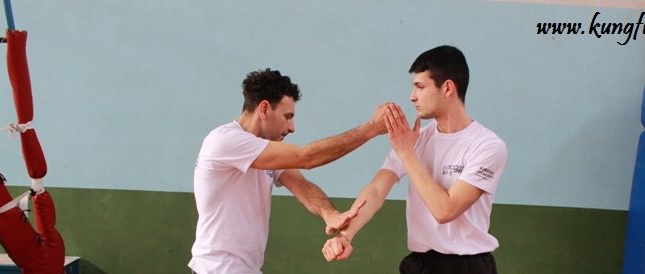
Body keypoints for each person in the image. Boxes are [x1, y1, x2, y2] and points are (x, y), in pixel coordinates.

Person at [321, 45, 508, 274]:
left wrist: (406, 152)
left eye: (420, 87)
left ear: (447, 87)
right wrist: (346, 236)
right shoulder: (415, 140)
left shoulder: (487, 146)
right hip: (419, 264)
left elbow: (445, 211)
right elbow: (377, 190)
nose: (412, 97)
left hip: (467, 266)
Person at [189, 68, 392, 274]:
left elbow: (302, 186)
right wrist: (370, 129)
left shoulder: (264, 149)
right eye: (287, 116)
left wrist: (329, 214)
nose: (292, 127)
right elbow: (306, 157)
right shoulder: (225, 141)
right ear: (264, 109)